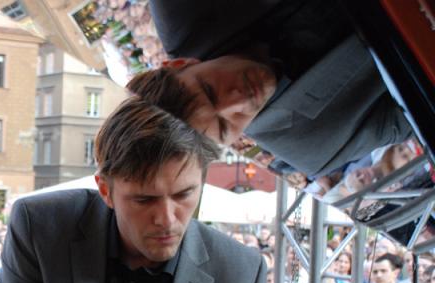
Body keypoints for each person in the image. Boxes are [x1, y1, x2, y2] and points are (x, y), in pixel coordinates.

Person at [0, 92, 269, 283]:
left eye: (184, 195)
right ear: (105, 190)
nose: (167, 219)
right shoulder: (39, 228)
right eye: (144, 200)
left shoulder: (240, 274)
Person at [146, 0, 412, 176]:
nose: (238, 102)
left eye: (209, 90)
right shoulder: (315, 147)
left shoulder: (180, 8)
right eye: (225, 127)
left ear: (180, 64)